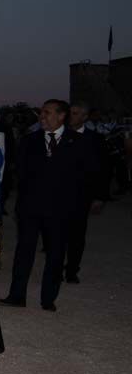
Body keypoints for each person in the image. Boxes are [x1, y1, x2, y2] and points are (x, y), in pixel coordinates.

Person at [1, 99, 95, 311]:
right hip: (30, 208)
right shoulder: (29, 140)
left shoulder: (78, 142)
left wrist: (78, 204)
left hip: (61, 210)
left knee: (55, 254)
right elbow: (21, 174)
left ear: (62, 116)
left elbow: (85, 177)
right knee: (24, 251)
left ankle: (48, 298)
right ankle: (17, 295)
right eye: (42, 113)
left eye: (47, 113)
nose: (42, 117)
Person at [64, 101, 108, 284]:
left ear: (84, 117)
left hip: (82, 194)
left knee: (77, 234)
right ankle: (56, 267)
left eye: (75, 113)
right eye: (70, 113)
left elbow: (103, 170)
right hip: (59, 193)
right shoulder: (59, 135)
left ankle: (72, 269)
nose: (70, 116)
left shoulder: (95, 139)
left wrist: (99, 196)